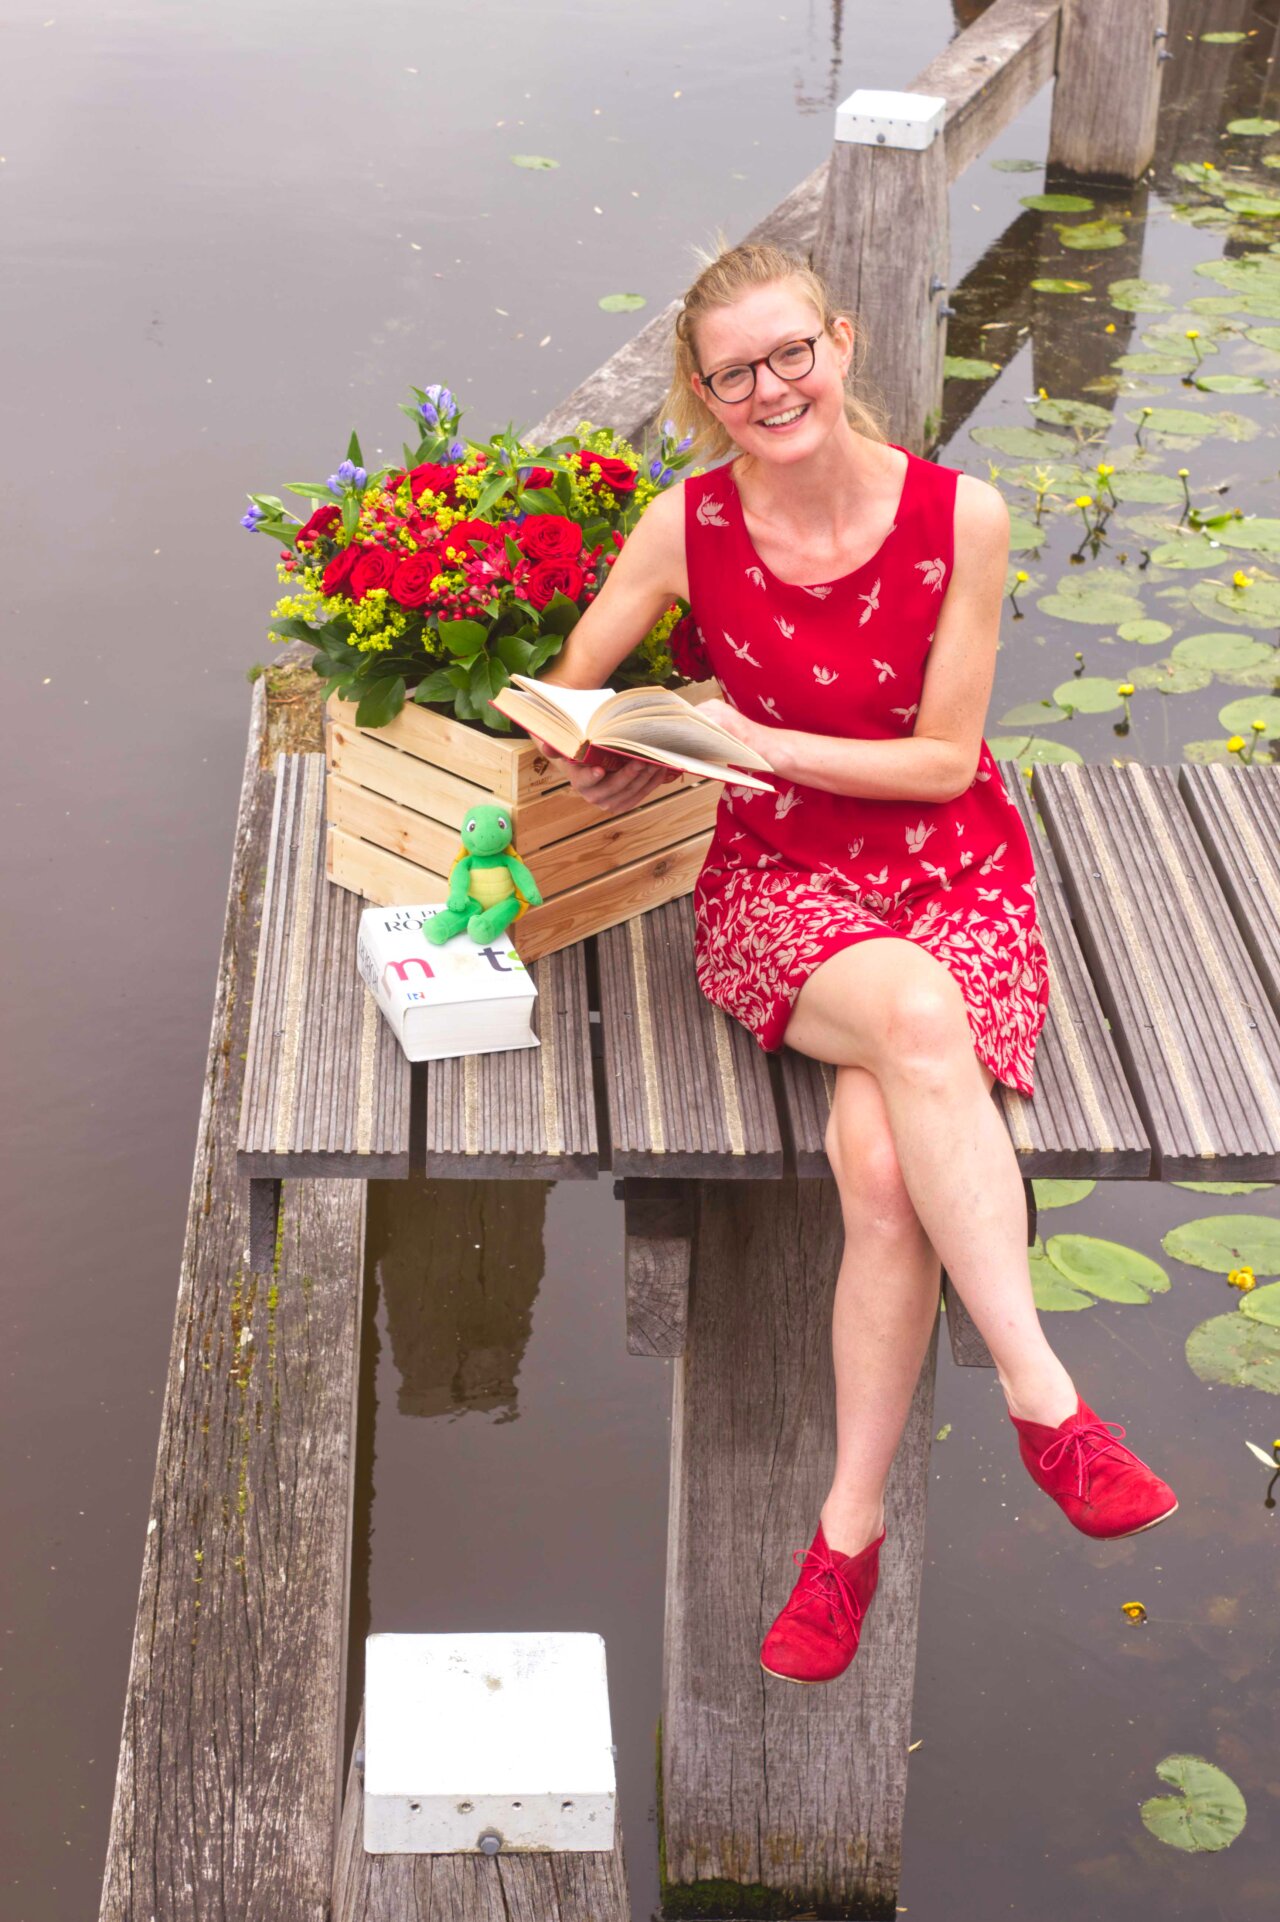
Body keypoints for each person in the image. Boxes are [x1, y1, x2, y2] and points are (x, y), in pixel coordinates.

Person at [527, 240, 1178, 1686]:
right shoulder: (682, 523)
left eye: (790, 353)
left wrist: (755, 743)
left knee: (882, 1170)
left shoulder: (966, 516)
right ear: (702, 394)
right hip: (778, 883)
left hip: (955, 866)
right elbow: (563, 700)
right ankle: (1047, 1398)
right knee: (910, 1011)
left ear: (841, 337)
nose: (771, 389)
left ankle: (847, 1531)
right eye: (734, 373)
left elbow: (946, 760)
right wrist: (606, 743)